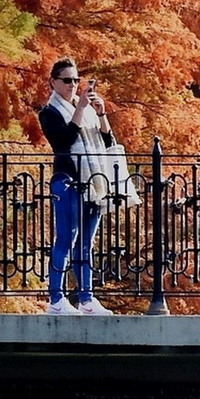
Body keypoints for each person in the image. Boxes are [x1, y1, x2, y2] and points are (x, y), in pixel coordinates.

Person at [38, 57, 114, 315]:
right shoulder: (49, 113)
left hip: (93, 182)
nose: (72, 85)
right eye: (67, 80)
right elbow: (64, 142)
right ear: (53, 82)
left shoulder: (89, 112)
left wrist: (100, 113)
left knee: (86, 243)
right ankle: (56, 299)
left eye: (76, 80)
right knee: (65, 240)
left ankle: (87, 299)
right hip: (68, 182)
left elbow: (107, 140)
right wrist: (80, 108)